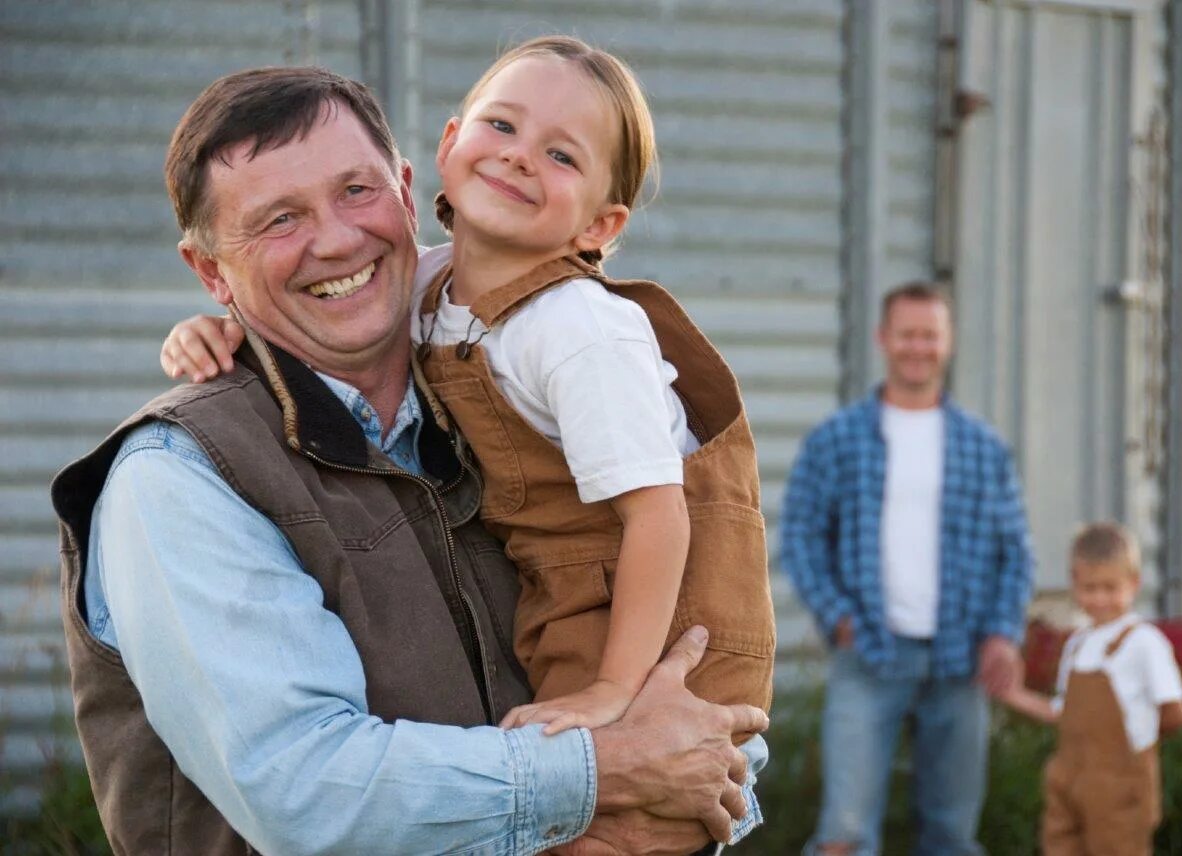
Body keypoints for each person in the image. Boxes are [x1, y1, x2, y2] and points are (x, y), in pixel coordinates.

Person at [51, 64, 768, 856]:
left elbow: (702, 724)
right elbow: (305, 793)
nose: (336, 239)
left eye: (356, 191)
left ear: (404, 187)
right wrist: (602, 768)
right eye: (279, 220)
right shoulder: (178, 478)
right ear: (212, 270)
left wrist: (689, 760)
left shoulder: (501, 391)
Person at [161, 36, 776, 738]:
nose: (519, 155)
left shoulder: (580, 329)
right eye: (503, 126)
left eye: (562, 155)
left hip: (663, 621)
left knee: (620, 820)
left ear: (601, 225)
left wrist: (612, 688)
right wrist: (220, 329)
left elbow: (660, 518)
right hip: (567, 593)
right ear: (449, 147)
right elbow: (320, 290)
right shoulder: (427, 281)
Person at [780, 281, 1035, 856]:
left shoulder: (982, 446)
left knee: (951, 834)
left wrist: (1003, 635)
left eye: (931, 335)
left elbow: (1015, 552)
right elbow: (799, 534)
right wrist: (836, 615)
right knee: (844, 835)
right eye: (907, 334)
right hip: (868, 652)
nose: (918, 347)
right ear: (883, 339)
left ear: (948, 343)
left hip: (960, 658)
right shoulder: (838, 439)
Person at [998, 522, 1182, 856]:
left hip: (1119, 788)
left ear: (1133, 583)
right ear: (1075, 584)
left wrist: (1131, 749)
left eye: (1110, 588)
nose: (1100, 599)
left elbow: (1175, 713)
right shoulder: (1077, 644)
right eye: (1090, 588)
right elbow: (1064, 712)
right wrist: (1014, 695)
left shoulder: (1144, 643)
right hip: (1069, 781)